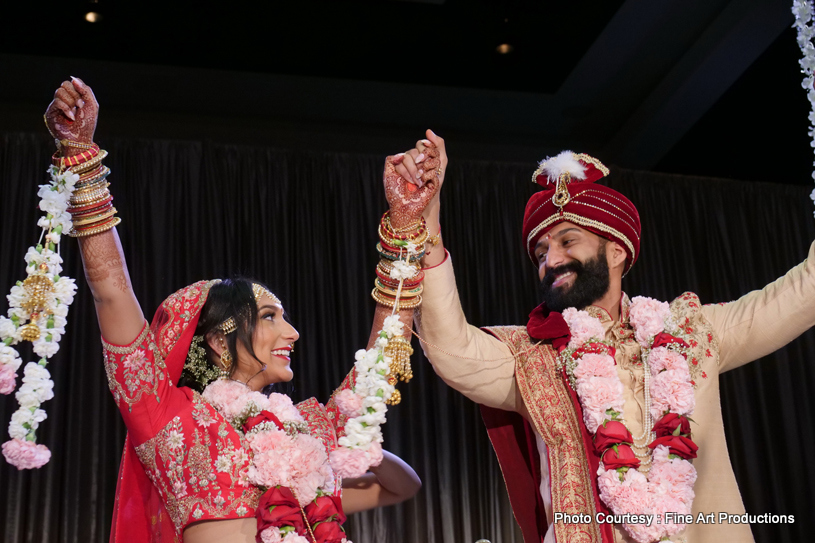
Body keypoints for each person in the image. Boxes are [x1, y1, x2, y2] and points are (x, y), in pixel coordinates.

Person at [386, 131, 815, 543]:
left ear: (616, 250)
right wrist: (426, 221)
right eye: (540, 253)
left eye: (567, 241)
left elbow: (801, 295)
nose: (550, 260)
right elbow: (452, 352)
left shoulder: (691, 333)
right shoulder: (532, 357)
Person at [43, 78, 421, 543]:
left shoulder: (308, 431)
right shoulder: (171, 419)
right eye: (268, 316)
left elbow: (381, 363)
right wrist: (81, 158)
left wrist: (406, 229)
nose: (294, 332)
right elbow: (111, 294)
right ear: (219, 340)